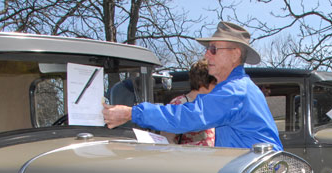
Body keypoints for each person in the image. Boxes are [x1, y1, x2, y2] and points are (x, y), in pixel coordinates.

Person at [103, 21, 282, 151]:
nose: (206, 55)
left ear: (235, 55)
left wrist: (132, 113)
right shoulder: (241, 87)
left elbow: (189, 116)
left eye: (213, 49)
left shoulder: (235, 91)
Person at [167, 58, 217, 146]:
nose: (218, 86)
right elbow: (167, 140)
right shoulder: (178, 104)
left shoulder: (212, 105)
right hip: (188, 158)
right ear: (202, 81)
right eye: (214, 82)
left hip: (211, 158)